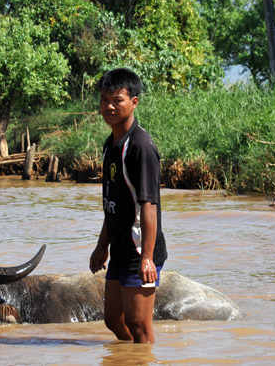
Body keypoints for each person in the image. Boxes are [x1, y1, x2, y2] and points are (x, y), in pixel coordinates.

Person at [89, 68, 167, 344]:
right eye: (103, 99)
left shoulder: (140, 147)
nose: (108, 106)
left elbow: (149, 204)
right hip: (120, 247)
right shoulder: (111, 144)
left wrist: (147, 256)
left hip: (138, 250)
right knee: (113, 320)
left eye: (117, 99)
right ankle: (128, 359)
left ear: (134, 102)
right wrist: (102, 245)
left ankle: (143, 357)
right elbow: (113, 204)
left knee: (139, 325)